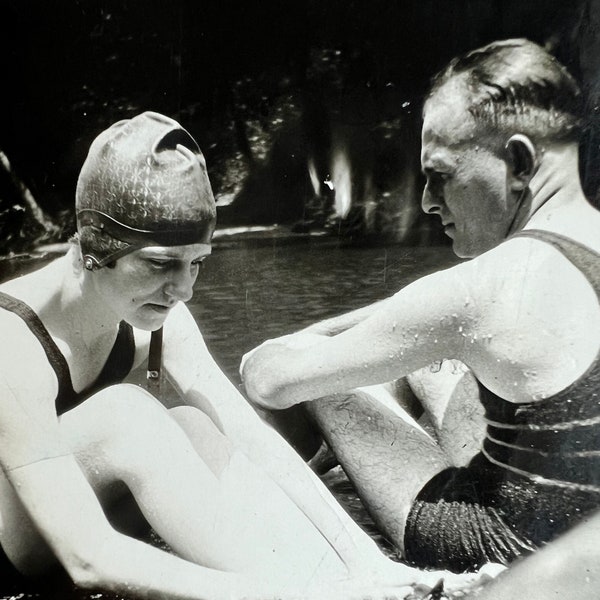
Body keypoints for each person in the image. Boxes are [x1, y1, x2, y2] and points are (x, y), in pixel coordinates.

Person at [0, 111, 446, 599]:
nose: (183, 289)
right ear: (93, 247)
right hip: (20, 552)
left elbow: (251, 439)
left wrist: (370, 565)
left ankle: (343, 583)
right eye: (160, 264)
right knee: (125, 415)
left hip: (88, 524)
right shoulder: (11, 341)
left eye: (197, 264)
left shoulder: (159, 313)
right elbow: (88, 558)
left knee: (195, 421)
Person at [241, 38, 600, 575]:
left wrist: (291, 346)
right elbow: (424, 317)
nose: (428, 201)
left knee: (327, 385)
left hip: (507, 551)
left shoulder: (481, 288)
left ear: (520, 162)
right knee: (433, 366)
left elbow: (270, 380)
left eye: (441, 174)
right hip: (580, 533)